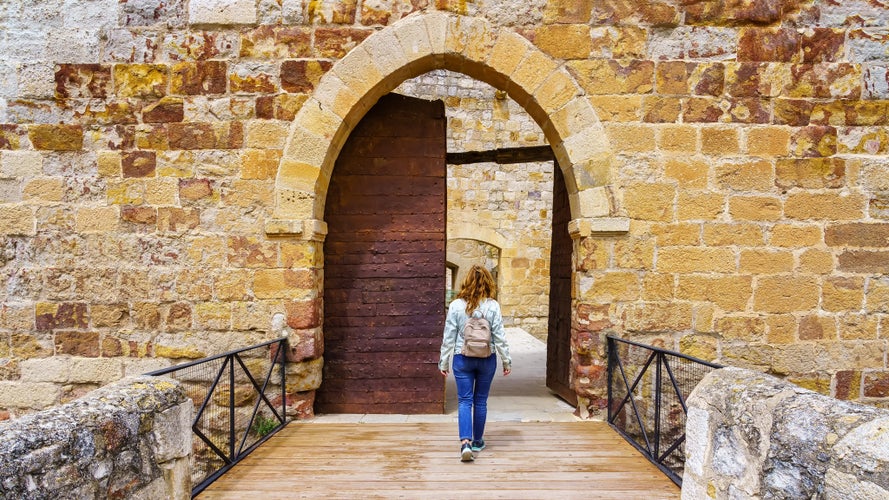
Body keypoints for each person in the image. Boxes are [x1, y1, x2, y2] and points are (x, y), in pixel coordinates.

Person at [438, 265, 512, 462]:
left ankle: (465, 443)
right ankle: (478, 441)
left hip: (462, 358)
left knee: (464, 400)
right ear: (488, 282)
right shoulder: (493, 306)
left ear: (466, 281)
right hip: (487, 358)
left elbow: (449, 337)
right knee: (480, 401)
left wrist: (443, 362)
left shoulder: (456, 306)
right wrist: (506, 359)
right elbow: (499, 336)